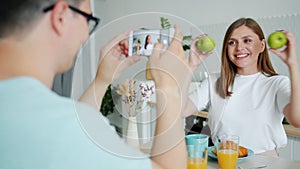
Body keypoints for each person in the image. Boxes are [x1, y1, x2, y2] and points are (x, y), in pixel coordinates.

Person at [0, 0, 189, 168]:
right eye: (88, 20)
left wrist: (102, 80)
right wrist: (169, 85)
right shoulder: (60, 127)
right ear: (61, 17)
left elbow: (73, 134)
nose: (85, 35)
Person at [183, 18, 300, 156]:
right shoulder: (215, 81)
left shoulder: (277, 83)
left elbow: (297, 120)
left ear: (262, 45)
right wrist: (191, 66)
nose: (239, 48)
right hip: (224, 160)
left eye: (247, 40)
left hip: (264, 163)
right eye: (232, 42)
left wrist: (292, 64)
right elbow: (181, 110)